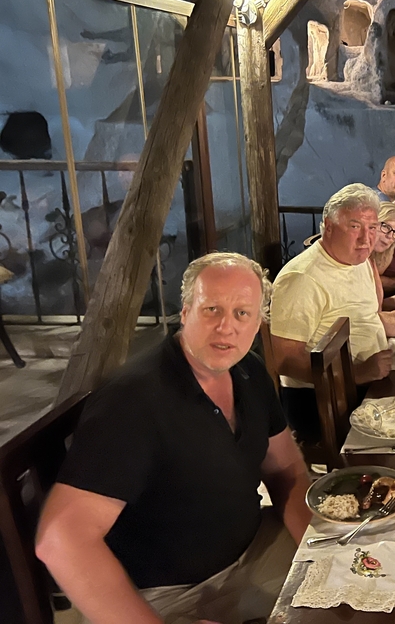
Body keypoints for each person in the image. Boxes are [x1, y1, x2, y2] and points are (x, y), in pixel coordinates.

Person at [36, 253, 311, 624]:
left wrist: (316, 546)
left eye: (242, 313)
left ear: (259, 321)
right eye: (212, 309)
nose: (226, 327)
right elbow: (60, 538)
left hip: (253, 551)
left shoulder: (248, 369)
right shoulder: (134, 399)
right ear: (185, 312)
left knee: (365, 576)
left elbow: (285, 468)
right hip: (168, 595)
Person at [270, 184, 395, 444]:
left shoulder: (359, 261)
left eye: (372, 228)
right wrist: (357, 373)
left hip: (371, 382)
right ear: (329, 226)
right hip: (325, 402)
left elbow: (370, 319)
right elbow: (285, 360)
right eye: (355, 227)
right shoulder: (302, 278)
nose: (366, 239)